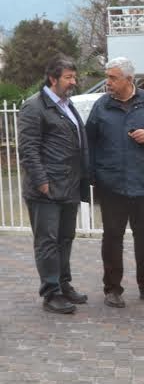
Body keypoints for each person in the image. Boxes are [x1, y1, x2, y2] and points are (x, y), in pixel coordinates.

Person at [85, 57, 144, 308]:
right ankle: (112, 289)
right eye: (107, 77)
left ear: (129, 80)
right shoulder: (101, 106)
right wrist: (93, 175)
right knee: (112, 237)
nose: (108, 83)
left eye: (113, 78)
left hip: (142, 182)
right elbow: (88, 142)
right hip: (111, 184)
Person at [18, 55, 90, 314]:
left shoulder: (66, 105)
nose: (74, 82)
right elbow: (28, 150)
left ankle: (63, 284)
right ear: (53, 78)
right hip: (46, 189)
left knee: (65, 239)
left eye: (74, 76)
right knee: (47, 241)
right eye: (68, 77)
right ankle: (51, 293)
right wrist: (42, 183)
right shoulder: (34, 107)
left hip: (69, 185)